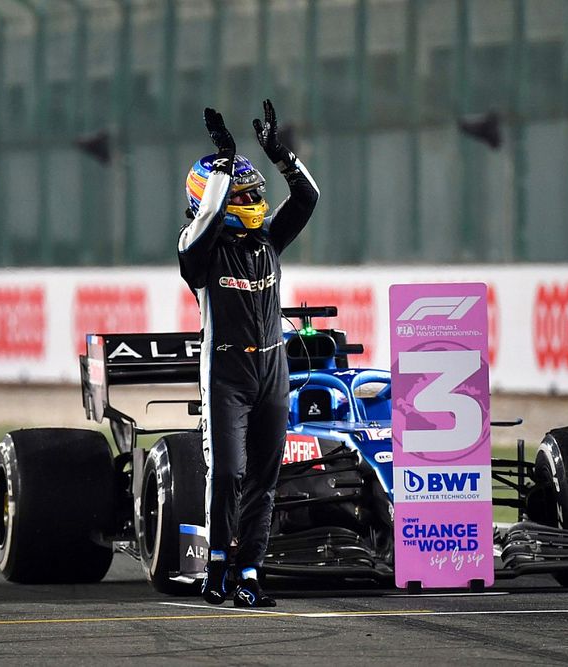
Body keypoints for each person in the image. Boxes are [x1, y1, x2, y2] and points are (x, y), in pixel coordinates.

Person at [177, 100, 319, 607]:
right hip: (226, 371)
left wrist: (280, 155)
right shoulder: (198, 252)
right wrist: (223, 162)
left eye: (256, 191)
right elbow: (211, 217)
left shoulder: (267, 241)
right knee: (229, 473)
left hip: (272, 369)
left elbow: (308, 196)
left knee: (265, 477)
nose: (256, 199)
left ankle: (251, 573)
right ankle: (216, 568)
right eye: (247, 193)